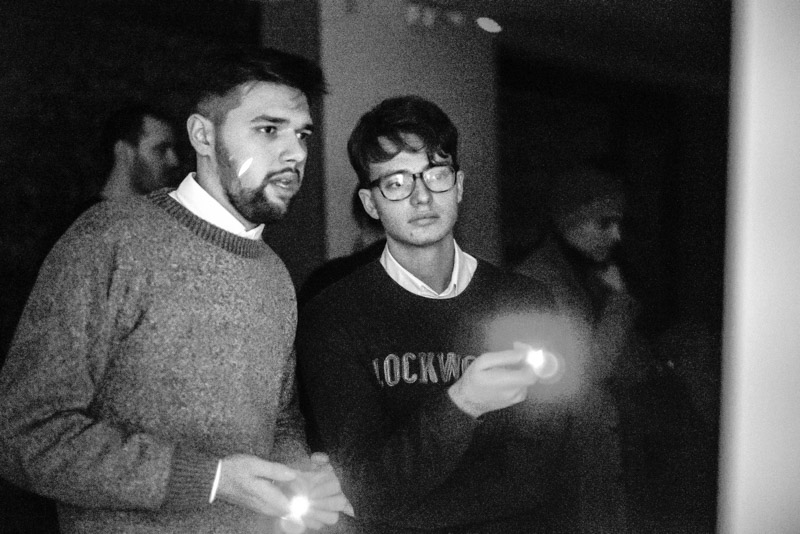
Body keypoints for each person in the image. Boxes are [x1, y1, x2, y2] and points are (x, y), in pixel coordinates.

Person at [0, 45, 349, 534]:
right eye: (269, 130)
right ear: (203, 135)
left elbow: (280, 420)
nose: (296, 153)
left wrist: (297, 472)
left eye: (302, 134)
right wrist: (211, 479)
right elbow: (22, 433)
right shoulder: (109, 240)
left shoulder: (274, 274)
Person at [296, 95, 580, 533]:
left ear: (459, 186)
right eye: (396, 183)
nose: (422, 196)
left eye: (436, 174)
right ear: (371, 204)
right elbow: (368, 487)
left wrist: (385, 499)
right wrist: (462, 403)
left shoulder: (527, 301)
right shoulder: (334, 315)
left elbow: (537, 474)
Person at [513, 164, 713, 532]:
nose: (617, 235)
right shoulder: (540, 280)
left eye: (619, 222)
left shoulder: (588, 271)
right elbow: (586, 370)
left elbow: (630, 358)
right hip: (576, 457)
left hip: (611, 448)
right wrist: (620, 302)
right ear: (570, 220)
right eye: (604, 223)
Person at [98, 102, 180, 201]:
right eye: (161, 149)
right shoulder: (91, 211)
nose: (174, 161)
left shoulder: (166, 207)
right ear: (124, 152)